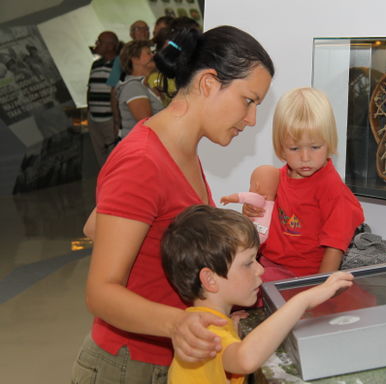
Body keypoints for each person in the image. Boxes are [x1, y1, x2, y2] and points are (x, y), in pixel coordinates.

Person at [71, 24, 275, 384]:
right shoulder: (143, 159)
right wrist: (178, 322)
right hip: (129, 365)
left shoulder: (180, 149)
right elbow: (99, 293)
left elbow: (97, 224)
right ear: (209, 83)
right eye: (249, 100)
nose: (251, 119)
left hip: (171, 358)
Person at [161, 205, 354, 384]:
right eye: (248, 263)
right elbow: (245, 360)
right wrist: (303, 300)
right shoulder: (204, 332)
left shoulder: (207, 321)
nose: (260, 269)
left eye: (257, 259)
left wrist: (230, 327)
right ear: (210, 279)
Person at [254, 87, 365, 281]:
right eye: (294, 148)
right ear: (280, 148)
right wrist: (252, 212)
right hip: (269, 262)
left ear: (329, 143)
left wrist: (321, 289)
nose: (305, 158)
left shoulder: (331, 187)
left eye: (315, 147)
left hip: (303, 274)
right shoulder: (279, 178)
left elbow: (335, 247)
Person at [115, 40, 164, 137]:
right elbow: (147, 122)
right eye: (148, 53)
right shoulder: (133, 87)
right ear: (134, 59)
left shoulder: (145, 85)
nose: (153, 56)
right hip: (139, 146)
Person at [220, 164, 279, 243]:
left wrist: (229, 198)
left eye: (251, 184)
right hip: (269, 235)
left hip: (257, 231)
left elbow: (243, 197)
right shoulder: (275, 206)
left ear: (257, 186)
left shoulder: (259, 199)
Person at [86, 31, 120, 165]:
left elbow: (116, 91)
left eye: (100, 42)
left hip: (109, 118)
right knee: (100, 155)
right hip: (93, 118)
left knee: (114, 155)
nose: (96, 44)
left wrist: (116, 119)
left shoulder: (118, 64)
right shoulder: (95, 64)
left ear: (111, 46)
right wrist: (89, 110)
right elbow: (90, 87)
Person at [107, 20, 151, 88]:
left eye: (146, 29)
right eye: (138, 29)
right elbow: (114, 84)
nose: (143, 31)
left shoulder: (154, 54)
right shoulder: (122, 57)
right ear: (131, 34)